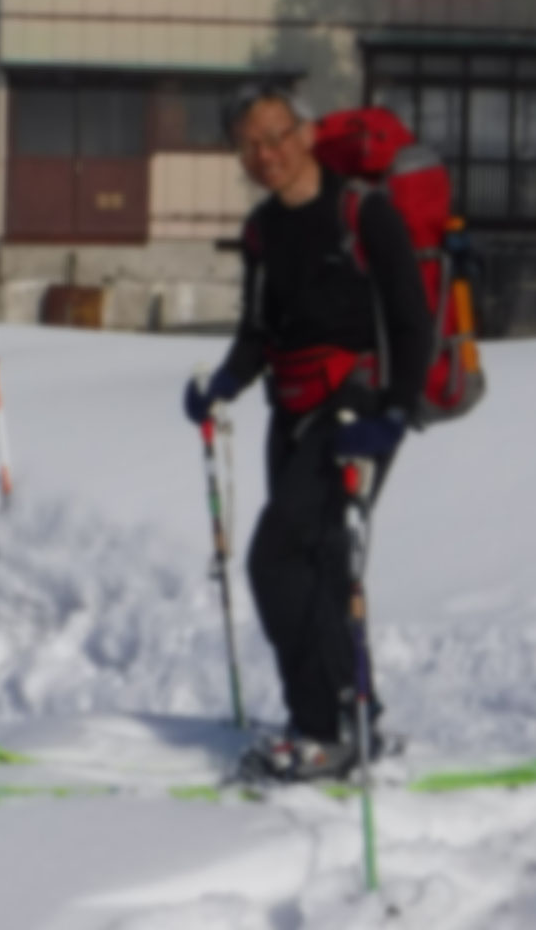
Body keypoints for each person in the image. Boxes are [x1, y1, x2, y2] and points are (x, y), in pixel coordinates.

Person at [184, 85, 434, 781]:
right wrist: (224, 384)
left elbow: (414, 322)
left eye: (278, 134)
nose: (268, 154)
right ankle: (354, 712)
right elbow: (259, 332)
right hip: (291, 415)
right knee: (319, 568)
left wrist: (395, 413)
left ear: (309, 131)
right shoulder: (264, 230)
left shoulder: (365, 213)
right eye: (251, 145)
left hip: (355, 415)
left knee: (275, 561)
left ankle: (323, 729)